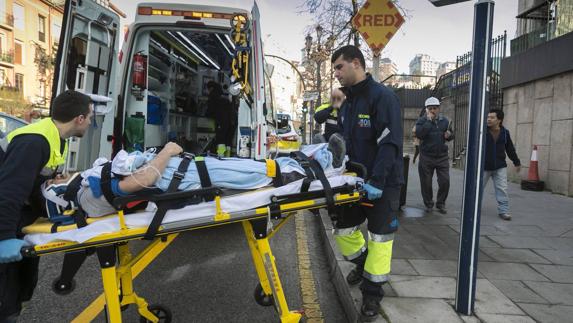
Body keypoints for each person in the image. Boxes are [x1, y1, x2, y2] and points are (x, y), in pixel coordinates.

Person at [0, 90, 94, 322]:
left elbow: (33, 182)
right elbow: (9, 192)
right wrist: (3, 238)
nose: (91, 122)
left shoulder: (56, 138)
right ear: (79, 119)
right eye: (90, 117)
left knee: (21, 288)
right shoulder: (34, 142)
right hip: (7, 218)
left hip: (21, 217)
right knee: (5, 297)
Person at [330, 45, 403, 322]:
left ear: (357, 63)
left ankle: (372, 295)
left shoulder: (382, 97)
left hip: (381, 184)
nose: (336, 73)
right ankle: (363, 263)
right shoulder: (349, 103)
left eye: (339, 67)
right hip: (353, 182)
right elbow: (345, 142)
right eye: (335, 68)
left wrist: (377, 180)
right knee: (344, 230)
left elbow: (390, 143)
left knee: (381, 239)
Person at [415, 97, 453, 214]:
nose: (433, 111)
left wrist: (449, 135)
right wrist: (428, 121)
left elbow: (451, 134)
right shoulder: (421, 121)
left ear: (439, 108)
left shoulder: (445, 121)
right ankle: (429, 204)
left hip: (441, 156)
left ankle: (441, 203)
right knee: (426, 182)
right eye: (430, 108)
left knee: (445, 181)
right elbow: (420, 134)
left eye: (435, 108)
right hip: (426, 156)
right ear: (426, 109)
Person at [484, 109, 520, 221]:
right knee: (477, 189)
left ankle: (503, 211)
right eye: (488, 117)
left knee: (502, 189)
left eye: (492, 117)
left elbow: (510, 149)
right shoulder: (482, 131)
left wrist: (516, 162)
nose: (489, 119)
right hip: (484, 167)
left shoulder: (505, 133)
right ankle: (472, 208)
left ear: (499, 120)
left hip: (500, 166)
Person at [206, 81, 235, 157]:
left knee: (221, 139)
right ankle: (227, 156)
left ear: (211, 88)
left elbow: (210, 110)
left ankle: (221, 155)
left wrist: (208, 114)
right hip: (231, 121)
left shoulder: (213, 96)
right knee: (228, 139)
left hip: (221, 120)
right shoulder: (224, 97)